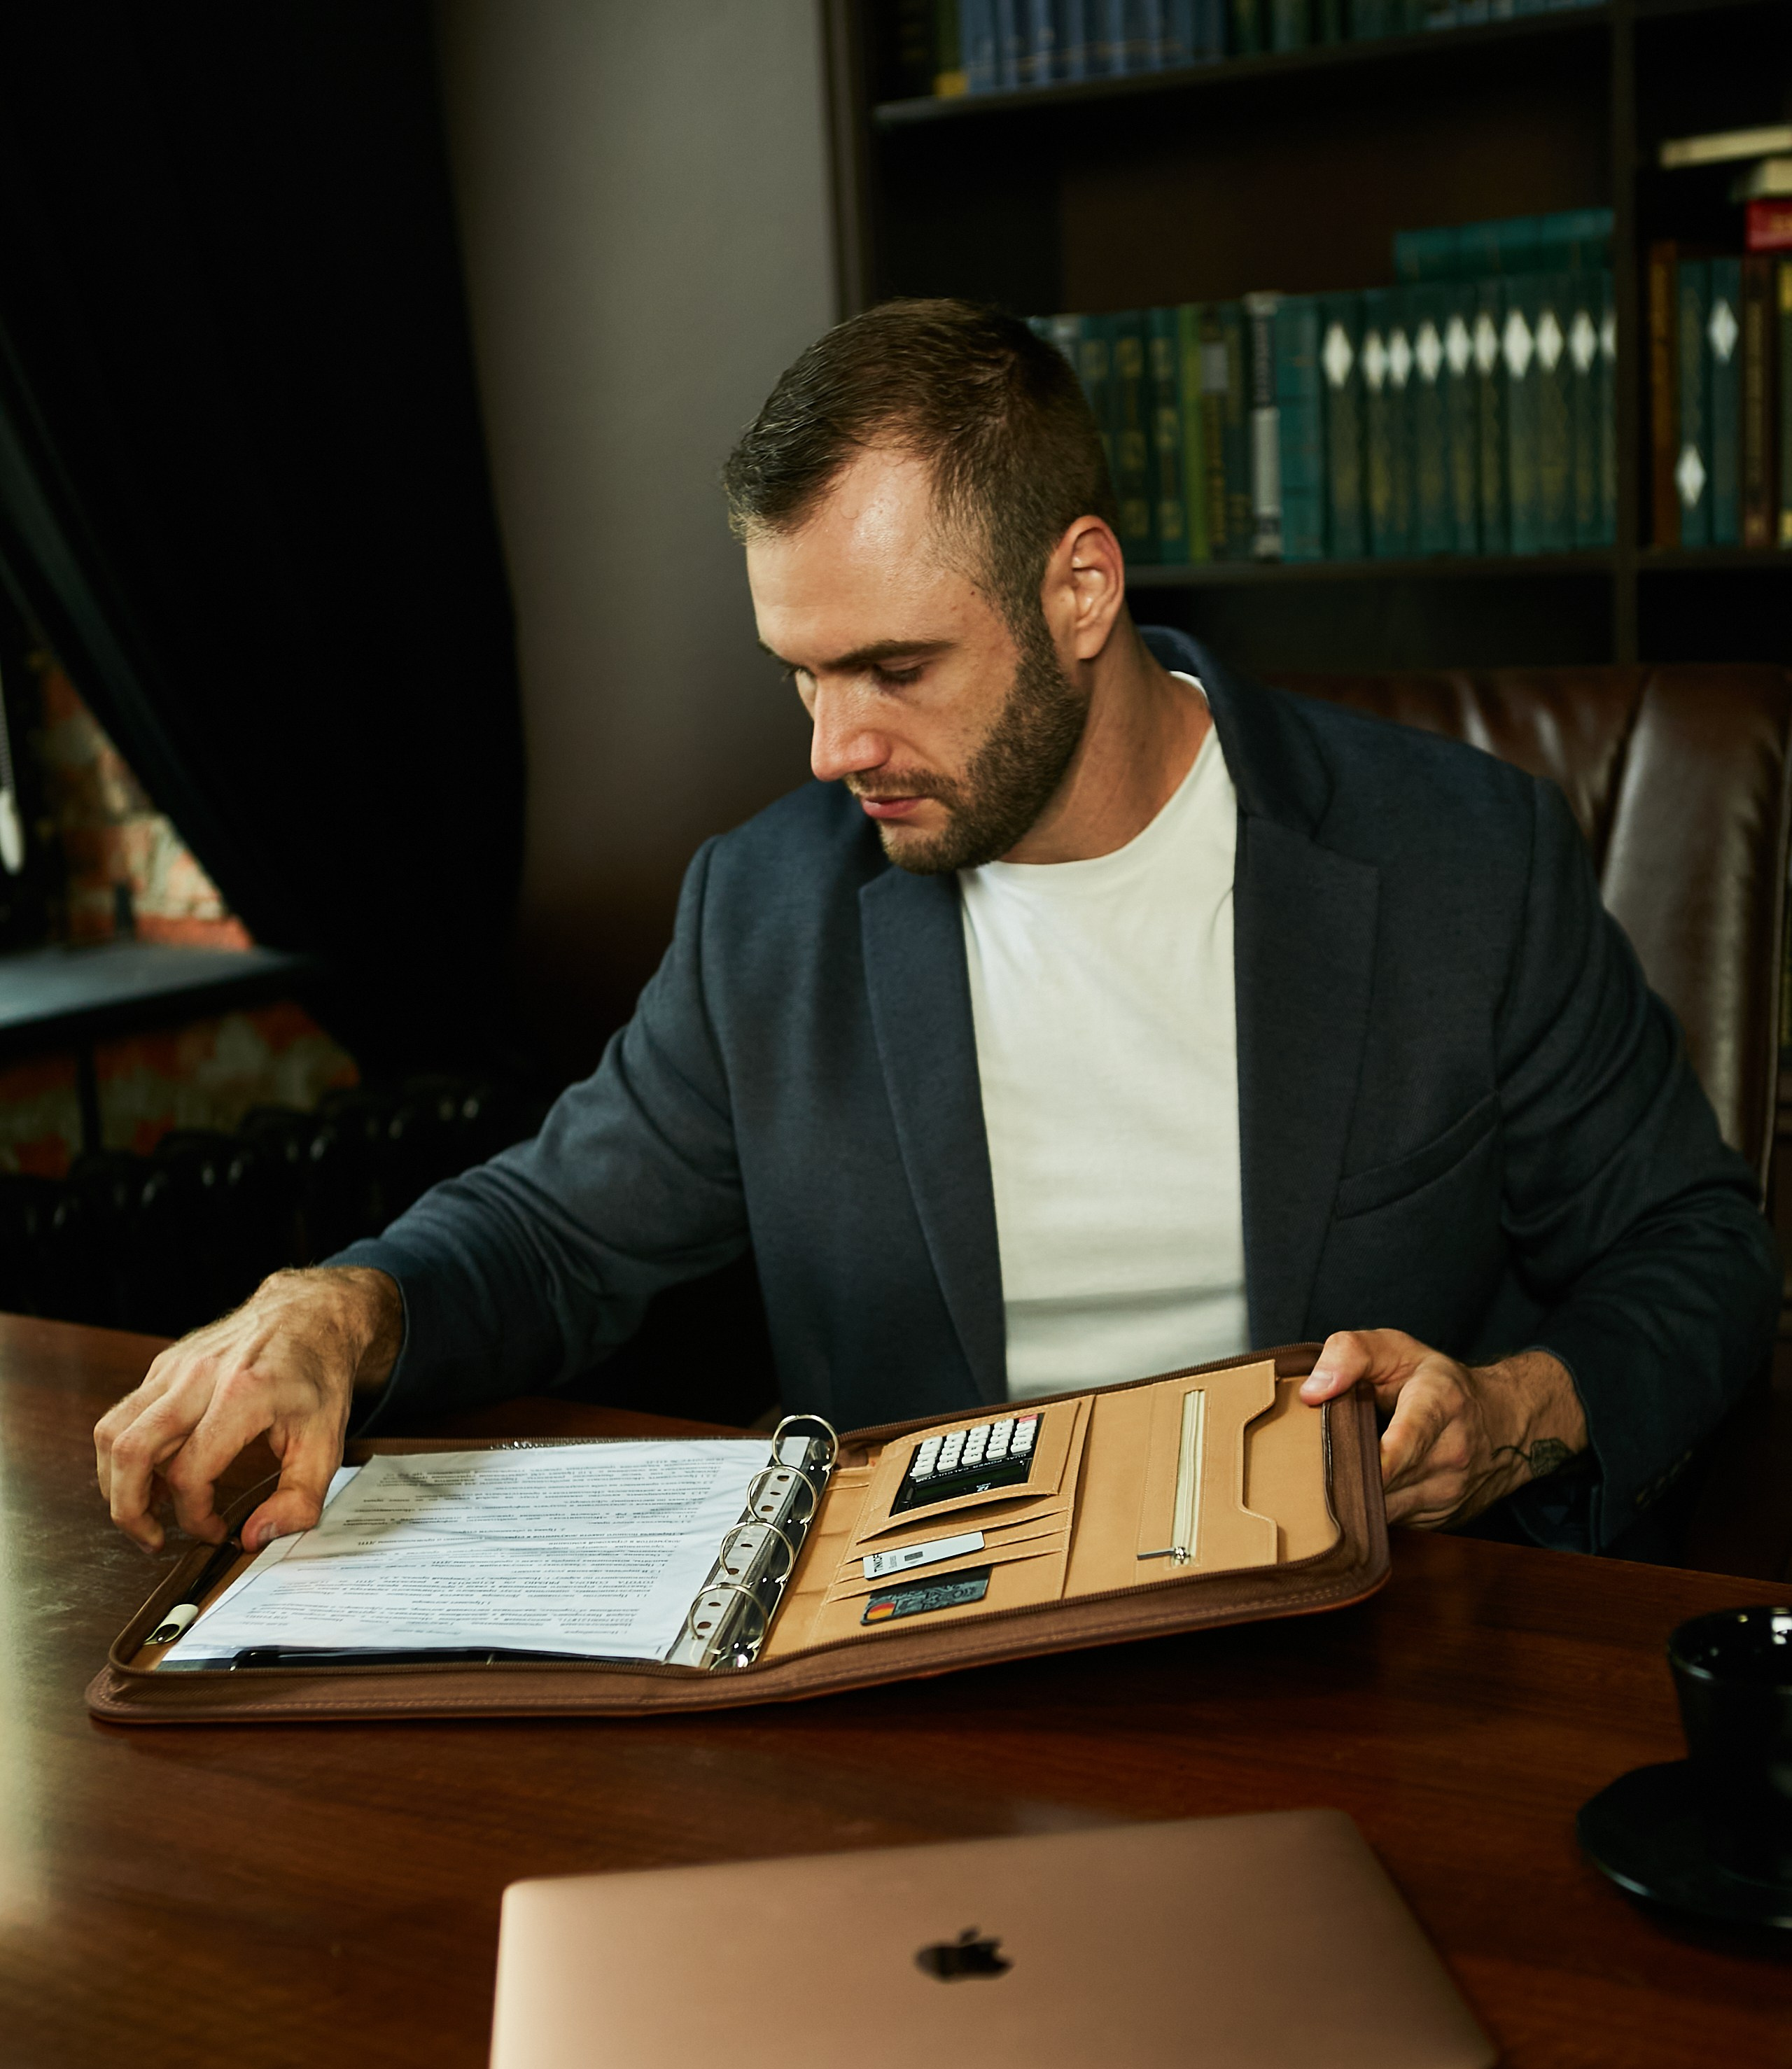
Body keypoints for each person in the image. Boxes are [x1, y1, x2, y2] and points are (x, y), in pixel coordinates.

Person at [94, 300, 1779, 1566]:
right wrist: (335, 1308)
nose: (833, 750)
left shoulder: (1454, 860)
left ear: (1079, 590)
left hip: (1370, 1639)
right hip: (922, 1667)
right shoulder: (768, 906)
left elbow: (1697, 1260)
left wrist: (1512, 1416)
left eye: (894, 669)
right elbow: (554, 1236)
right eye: (803, 677)